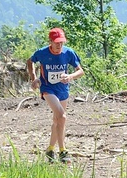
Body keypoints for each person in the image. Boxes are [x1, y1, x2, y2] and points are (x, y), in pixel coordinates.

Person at [27, 27, 84, 164]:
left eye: (62, 42)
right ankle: (63, 151)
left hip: (62, 89)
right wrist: (34, 77)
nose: (59, 45)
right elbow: (30, 61)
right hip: (47, 88)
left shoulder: (68, 52)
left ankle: (50, 149)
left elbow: (81, 71)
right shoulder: (42, 53)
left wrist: (70, 77)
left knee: (57, 120)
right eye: (57, 42)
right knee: (62, 116)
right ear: (50, 41)